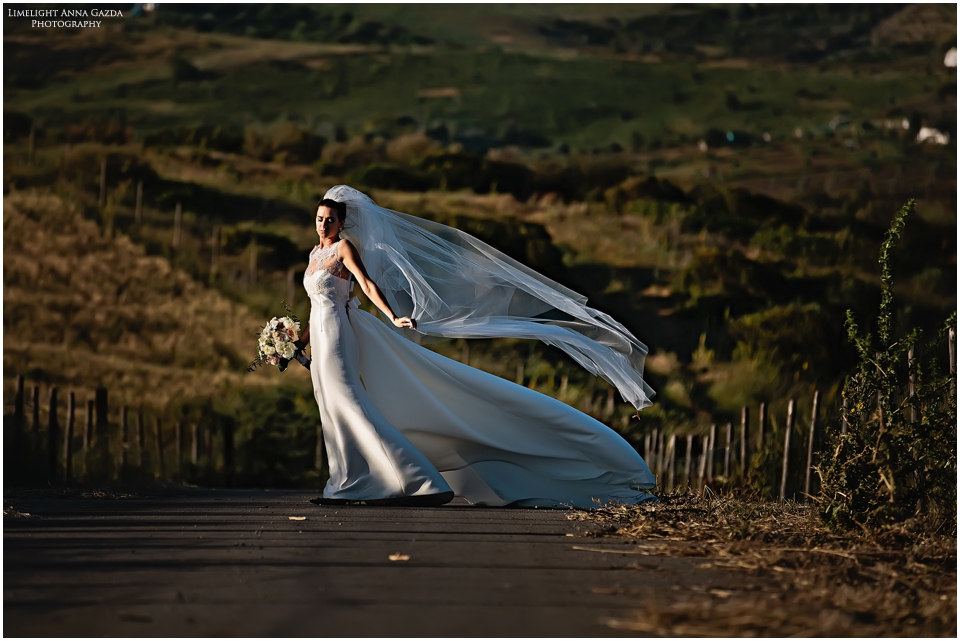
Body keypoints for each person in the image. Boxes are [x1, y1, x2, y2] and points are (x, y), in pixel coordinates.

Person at [300, 185, 656, 508]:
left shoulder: (343, 249)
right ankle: (349, 481)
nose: (323, 225)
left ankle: (415, 479)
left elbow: (368, 285)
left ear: (343, 222)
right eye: (319, 219)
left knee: (347, 400)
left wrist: (393, 317)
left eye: (330, 220)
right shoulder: (315, 254)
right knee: (330, 404)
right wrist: (293, 343)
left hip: (339, 334)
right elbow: (315, 303)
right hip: (320, 332)